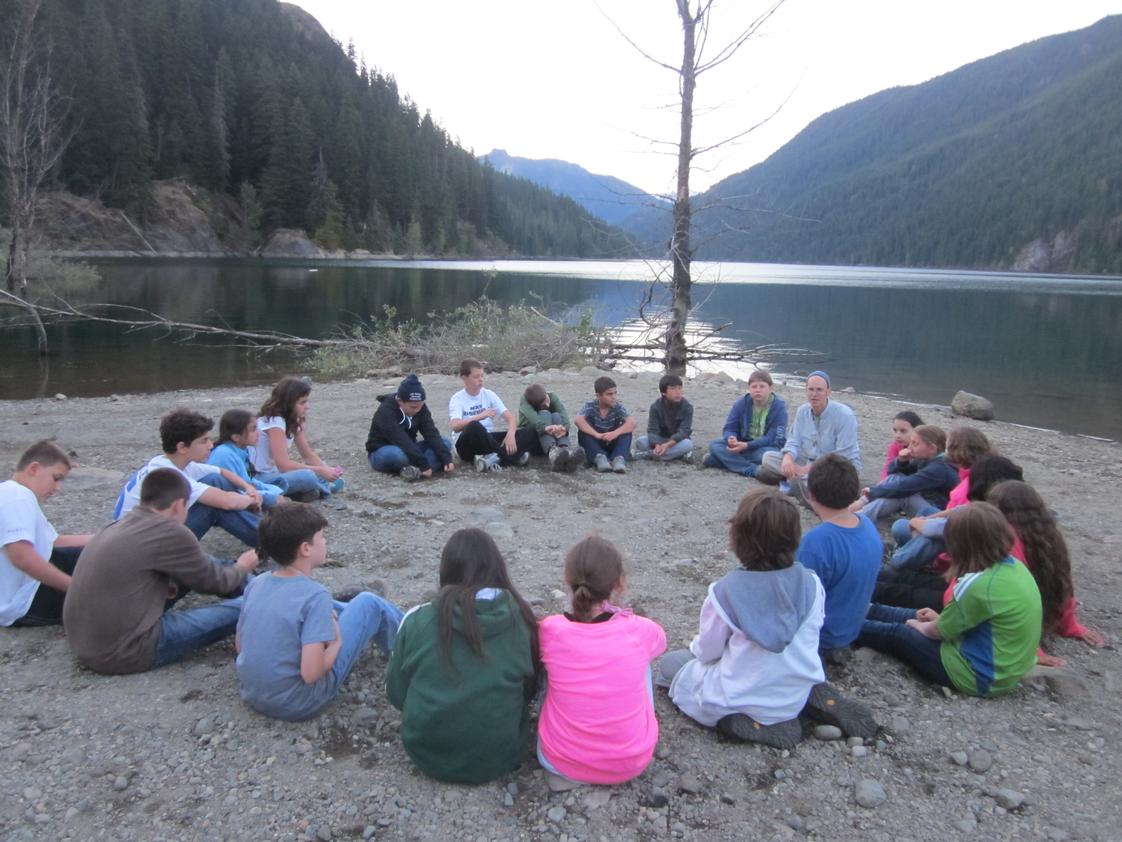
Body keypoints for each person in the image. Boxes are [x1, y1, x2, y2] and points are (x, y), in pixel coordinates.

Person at [659, 488, 875, 749]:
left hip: (742, 694)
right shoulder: (812, 583)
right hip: (796, 684)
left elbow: (707, 652)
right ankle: (806, 698)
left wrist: (696, 649)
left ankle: (758, 723)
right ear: (795, 538)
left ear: (739, 538)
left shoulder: (723, 592)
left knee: (670, 665)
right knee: (782, 673)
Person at [63, 469, 257, 673]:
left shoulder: (118, 526)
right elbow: (216, 583)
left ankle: (262, 588)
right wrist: (243, 566)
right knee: (249, 603)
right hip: (126, 650)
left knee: (206, 562)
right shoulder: (169, 532)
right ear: (178, 506)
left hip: (85, 643)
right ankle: (270, 595)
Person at [386, 529, 539, 784]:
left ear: (445, 570)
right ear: (498, 568)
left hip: (426, 752)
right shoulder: (522, 619)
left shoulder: (417, 619)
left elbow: (396, 693)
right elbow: (529, 691)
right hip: (501, 756)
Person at [235, 504, 403, 721]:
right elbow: (311, 673)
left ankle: (359, 613)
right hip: (301, 702)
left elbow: (241, 646)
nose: (325, 542)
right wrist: (335, 645)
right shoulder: (315, 596)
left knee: (331, 609)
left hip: (253, 694)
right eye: (322, 537)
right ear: (306, 549)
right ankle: (412, 645)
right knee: (368, 602)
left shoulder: (256, 583)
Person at [857, 502, 1042, 698]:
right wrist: (932, 623)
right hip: (999, 666)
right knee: (919, 616)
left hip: (977, 676)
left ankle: (835, 624)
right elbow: (960, 622)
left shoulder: (978, 585)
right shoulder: (1015, 568)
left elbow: (937, 632)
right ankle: (864, 611)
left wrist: (918, 626)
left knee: (901, 633)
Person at [537, 537, 666, 790]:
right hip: (631, 763)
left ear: (567, 581)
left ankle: (574, 758)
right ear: (619, 584)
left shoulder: (550, 630)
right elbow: (661, 643)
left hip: (560, 762)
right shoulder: (640, 630)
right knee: (642, 659)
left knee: (549, 664)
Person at [873, 454, 1024, 611]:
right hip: (970, 583)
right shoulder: (1010, 511)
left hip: (970, 596)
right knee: (905, 578)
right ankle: (885, 571)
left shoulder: (989, 521)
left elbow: (942, 529)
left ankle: (890, 567)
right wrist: (927, 519)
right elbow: (958, 512)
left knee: (901, 588)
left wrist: (917, 523)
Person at [984, 481, 1105, 663]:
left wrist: (1030, 649)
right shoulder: (1049, 534)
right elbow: (1063, 581)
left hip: (1017, 619)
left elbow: (1011, 595)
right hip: (1042, 615)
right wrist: (1070, 624)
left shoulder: (1005, 538)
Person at [116, 409, 261, 547]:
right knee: (213, 507)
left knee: (215, 479)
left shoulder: (172, 462)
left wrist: (248, 488)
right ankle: (273, 541)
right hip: (143, 547)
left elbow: (221, 471)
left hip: (141, 534)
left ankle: (265, 532)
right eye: (203, 441)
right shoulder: (168, 476)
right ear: (182, 447)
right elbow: (228, 502)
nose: (211, 445)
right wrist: (251, 499)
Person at [796, 454, 883, 664]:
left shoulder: (816, 543)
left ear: (811, 494)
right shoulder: (867, 525)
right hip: (850, 630)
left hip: (822, 639)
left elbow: (798, 604)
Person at [1, 441, 92, 627]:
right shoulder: (16, 496)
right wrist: (75, 588)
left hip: (29, 586)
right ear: (34, 468)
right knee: (113, 594)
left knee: (105, 555)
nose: (58, 488)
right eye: (56, 478)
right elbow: (21, 557)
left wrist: (108, 536)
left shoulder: (17, 495)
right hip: (25, 600)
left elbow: (55, 541)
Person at [886, 428, 994, 571]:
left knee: (917, 531)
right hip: (951, 519)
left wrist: (921, 525)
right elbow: (956, 510)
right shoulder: (969, 472)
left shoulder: (970, 480)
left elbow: (957, 523)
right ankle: (907, 551)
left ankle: (894, 565)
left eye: (948, 446)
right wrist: (926, 520)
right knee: (913, 517)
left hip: (959, 534)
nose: (945, 450)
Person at [758, 371, 861, 506]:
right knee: (768, 458)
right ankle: (800, 482)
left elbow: (842, 456)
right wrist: (787, 459)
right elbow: (793, 441)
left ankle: (800, 486)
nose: (814, 394)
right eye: (811, 389)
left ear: (828, 391)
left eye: (819, 390)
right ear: (806, 391)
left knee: (829, 476)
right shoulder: (802, 411)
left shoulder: (845, 416)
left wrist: (807, 469)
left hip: (836, 466)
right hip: (807, 460)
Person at [252, 377, 344, 499]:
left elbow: (307, 455)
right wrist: (320, 471)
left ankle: (312, 489)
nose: (307, 407)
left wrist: (327, 470)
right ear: (288, 404)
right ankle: (318, 488)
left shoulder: (292, 420)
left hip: (271, 471)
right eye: (302, 403)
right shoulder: (275, 422)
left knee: (316, 471)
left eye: (306, 402)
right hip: (258, 476)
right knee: (308, 476)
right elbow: (283, 465)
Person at [852, 425, 959, 524]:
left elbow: (906, 486)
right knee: (895, 478)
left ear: (932, 448)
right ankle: (860, 504)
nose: (909, 447)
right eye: (910, 443)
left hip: (940, 514)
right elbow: (893, 473)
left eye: (915, 444)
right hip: (928, 502)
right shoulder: (928, 459)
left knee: (904, 496)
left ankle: (857, 518)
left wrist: (873, 491)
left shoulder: (939, 469)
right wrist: (901, 461)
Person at [448, 358, 534, 472]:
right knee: (475, 426)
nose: (481, 380)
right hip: (466, 444)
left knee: (530, 431)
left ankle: (492, 458)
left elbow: (510, 418)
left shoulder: (488, 394)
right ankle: (511, 458)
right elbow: (456, 426)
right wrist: (481, 416)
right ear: (464, 378)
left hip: (488, 441)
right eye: (476, 377)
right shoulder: (457, 399)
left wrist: (511, 434)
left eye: (482, 376)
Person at [365, 374, 455, 481]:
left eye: (420, 406)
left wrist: (446, 459)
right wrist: (423, 463)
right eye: (413, 407)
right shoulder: (386, 411)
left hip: (411, 447)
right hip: (384, 450)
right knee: (398, 456)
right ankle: (423, 468)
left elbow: (431, 433)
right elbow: (400, 439)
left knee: (445, 443)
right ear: (400, 401)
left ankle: (413, 472)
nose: (417, 410)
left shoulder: (420, 407)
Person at [703, 370, 787, 477]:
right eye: (754, 386)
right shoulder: (741, 403)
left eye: (762, 386)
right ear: (749, 388)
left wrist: (747, 446)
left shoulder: (779, 407)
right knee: (714, 445)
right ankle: (753, 470)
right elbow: (729, 427)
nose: (758, 390)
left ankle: (719, 461)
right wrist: (731, 438)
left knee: (765, 456)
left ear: (770, 388)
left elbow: (772, 437)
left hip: (767, 447)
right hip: (742, 444)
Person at [207, 409, 286, 508]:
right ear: (236, 437)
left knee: (281, 484)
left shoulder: (241, 450)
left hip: (247, 490)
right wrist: (272, 496)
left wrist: (274, 491)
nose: (259, 432)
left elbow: (249, 481)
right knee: (305, 478)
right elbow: (236, 491)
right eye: (253, 429)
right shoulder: (224, 455)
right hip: (233, 500)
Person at [573, 376, 637, 473]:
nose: (614, 397)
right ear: (598, 396)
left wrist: (615, 433)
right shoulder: (590, 405)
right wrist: (596, 434)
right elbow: (578, 420)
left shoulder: (617, 407)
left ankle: (618, 458)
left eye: (615, 393)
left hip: (612, 441)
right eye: (609, 394)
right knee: (584, 429)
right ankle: (599, 458)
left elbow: (632, 422)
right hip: (596, 441)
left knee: (626, 429)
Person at [518, 384, 583, 471]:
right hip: (530, 437)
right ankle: (552, 451)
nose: (546, 403)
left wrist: (564, 428)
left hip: (551, 435)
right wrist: (546, 428)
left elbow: (563, 414)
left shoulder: (552, 396)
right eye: (542, 404)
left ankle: (565, 449)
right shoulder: (524, 401)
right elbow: (534, 420)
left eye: (546, 400)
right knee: (545, 413)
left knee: (556, 415)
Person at [635, 374, 695, 462]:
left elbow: (684, 431)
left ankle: (650, 455)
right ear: (663, 392)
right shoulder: (655, 407)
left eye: (679, 388)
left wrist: (667, 445)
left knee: (688, 444)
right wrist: (657, 445)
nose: (678, 392)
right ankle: (677, 455)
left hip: (676, 442)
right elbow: (652, 430)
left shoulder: (687, 407)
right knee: (640, 442)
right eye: (673, 389)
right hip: (660, 439)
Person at [880, 411, 924, 481]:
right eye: (895, 431)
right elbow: (888, 467)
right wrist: (883, 483)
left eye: (903, 431)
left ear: (917, 430)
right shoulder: (896, 445)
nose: (898, 435)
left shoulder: (924, 448)